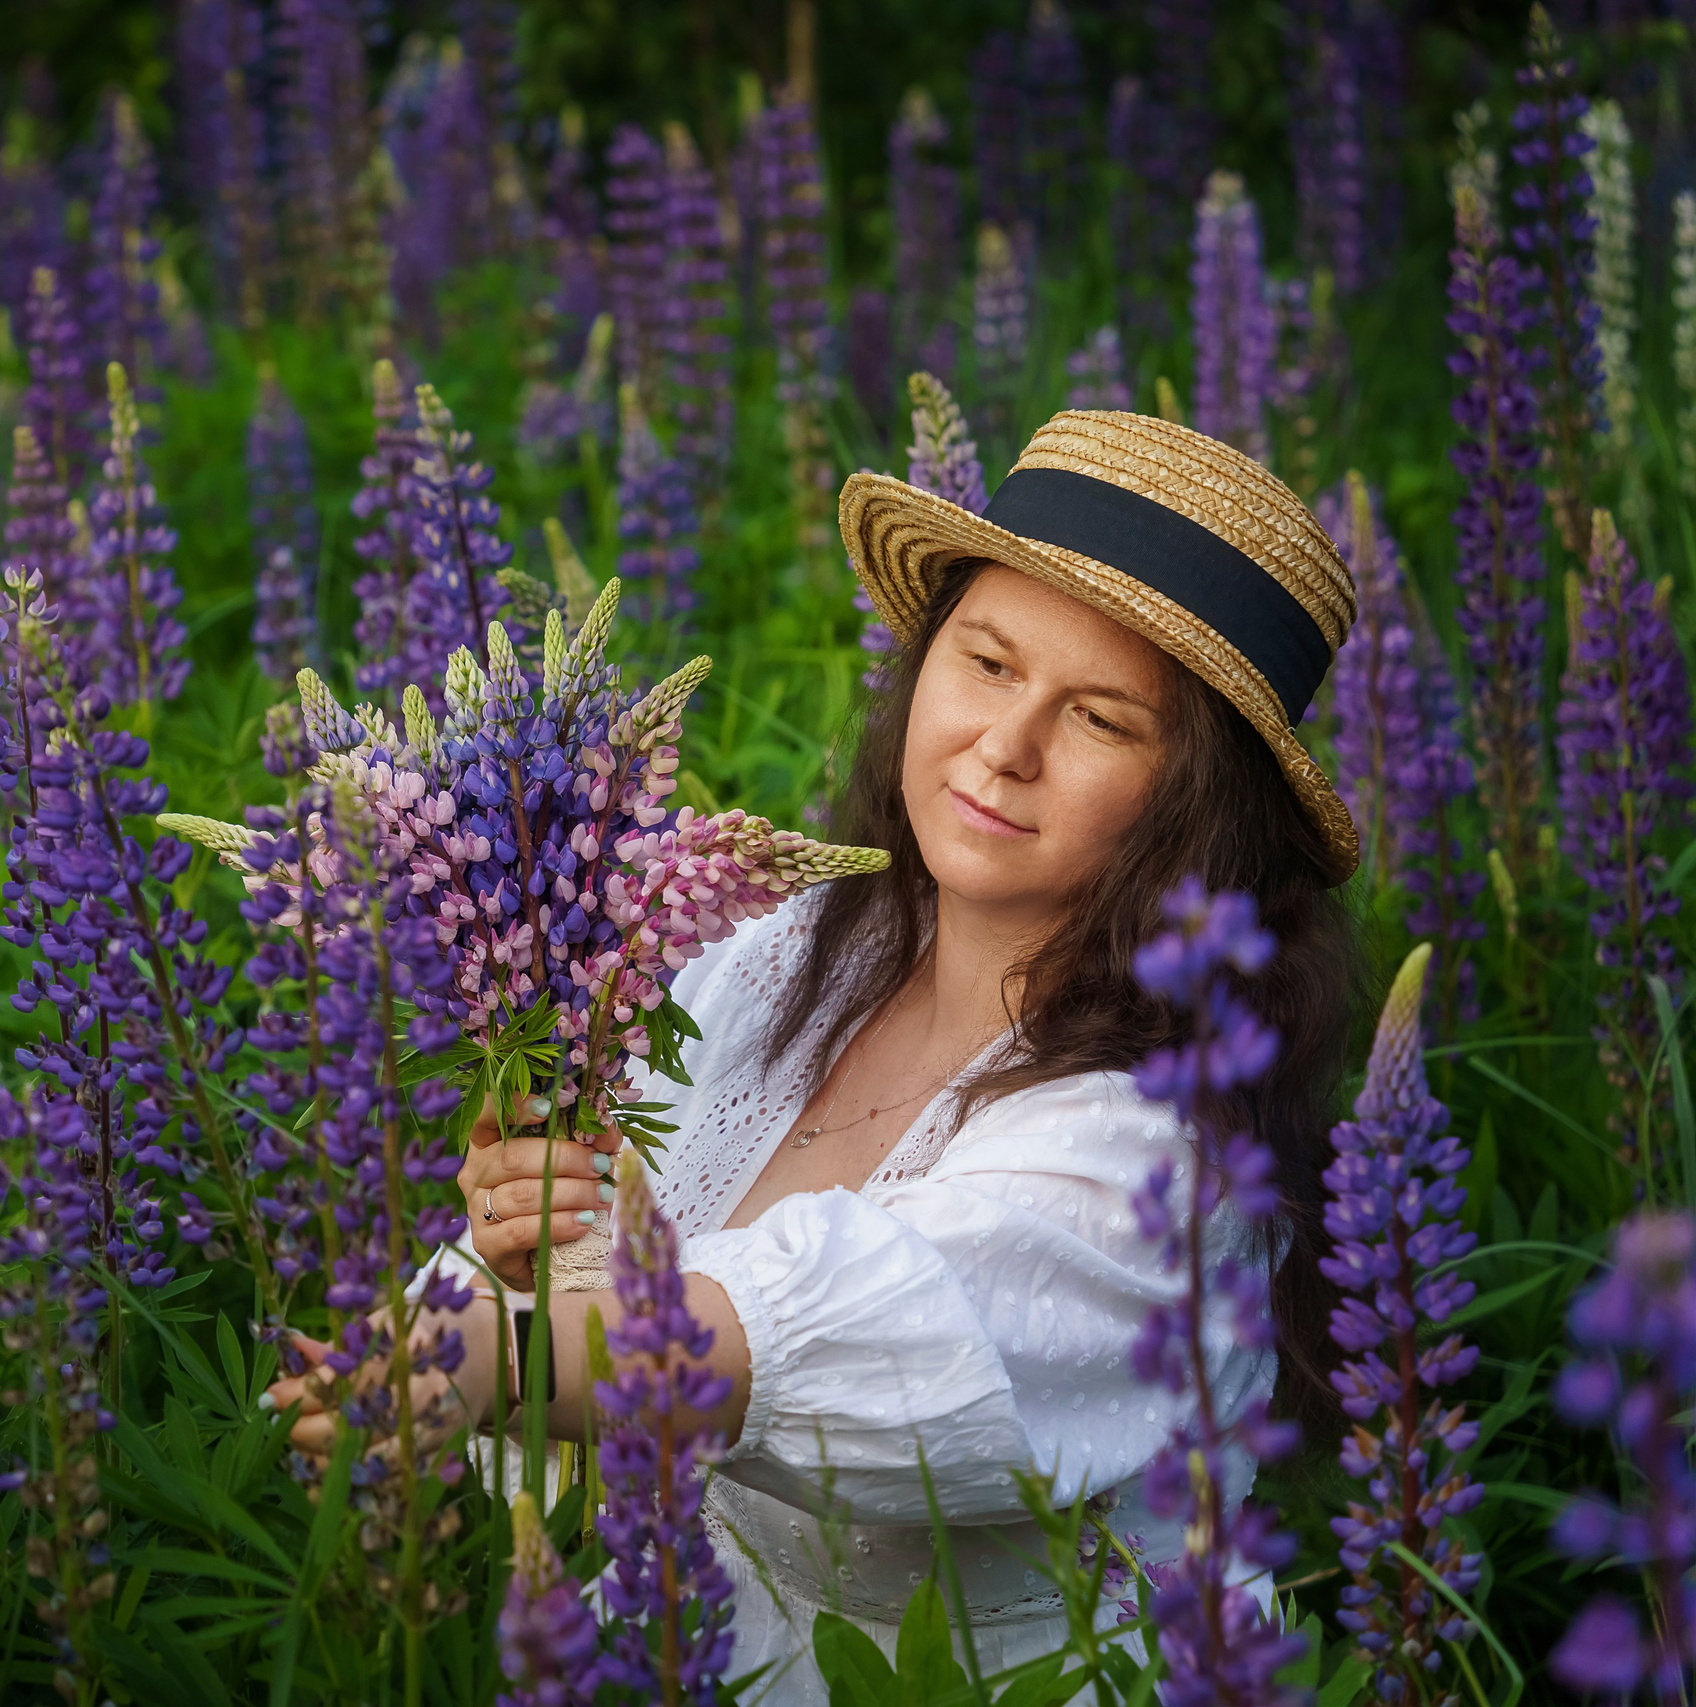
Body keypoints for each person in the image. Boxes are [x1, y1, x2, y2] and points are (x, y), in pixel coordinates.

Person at [265, 410, 1363, 1699]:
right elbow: (556, 1362)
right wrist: (513, 1260)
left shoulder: (1164, 1157)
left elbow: (818, 1329)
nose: (1006, 748)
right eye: (989, 663)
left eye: (1102, 721)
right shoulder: (785, 960)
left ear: (1199, 807)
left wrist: (484, 1358)